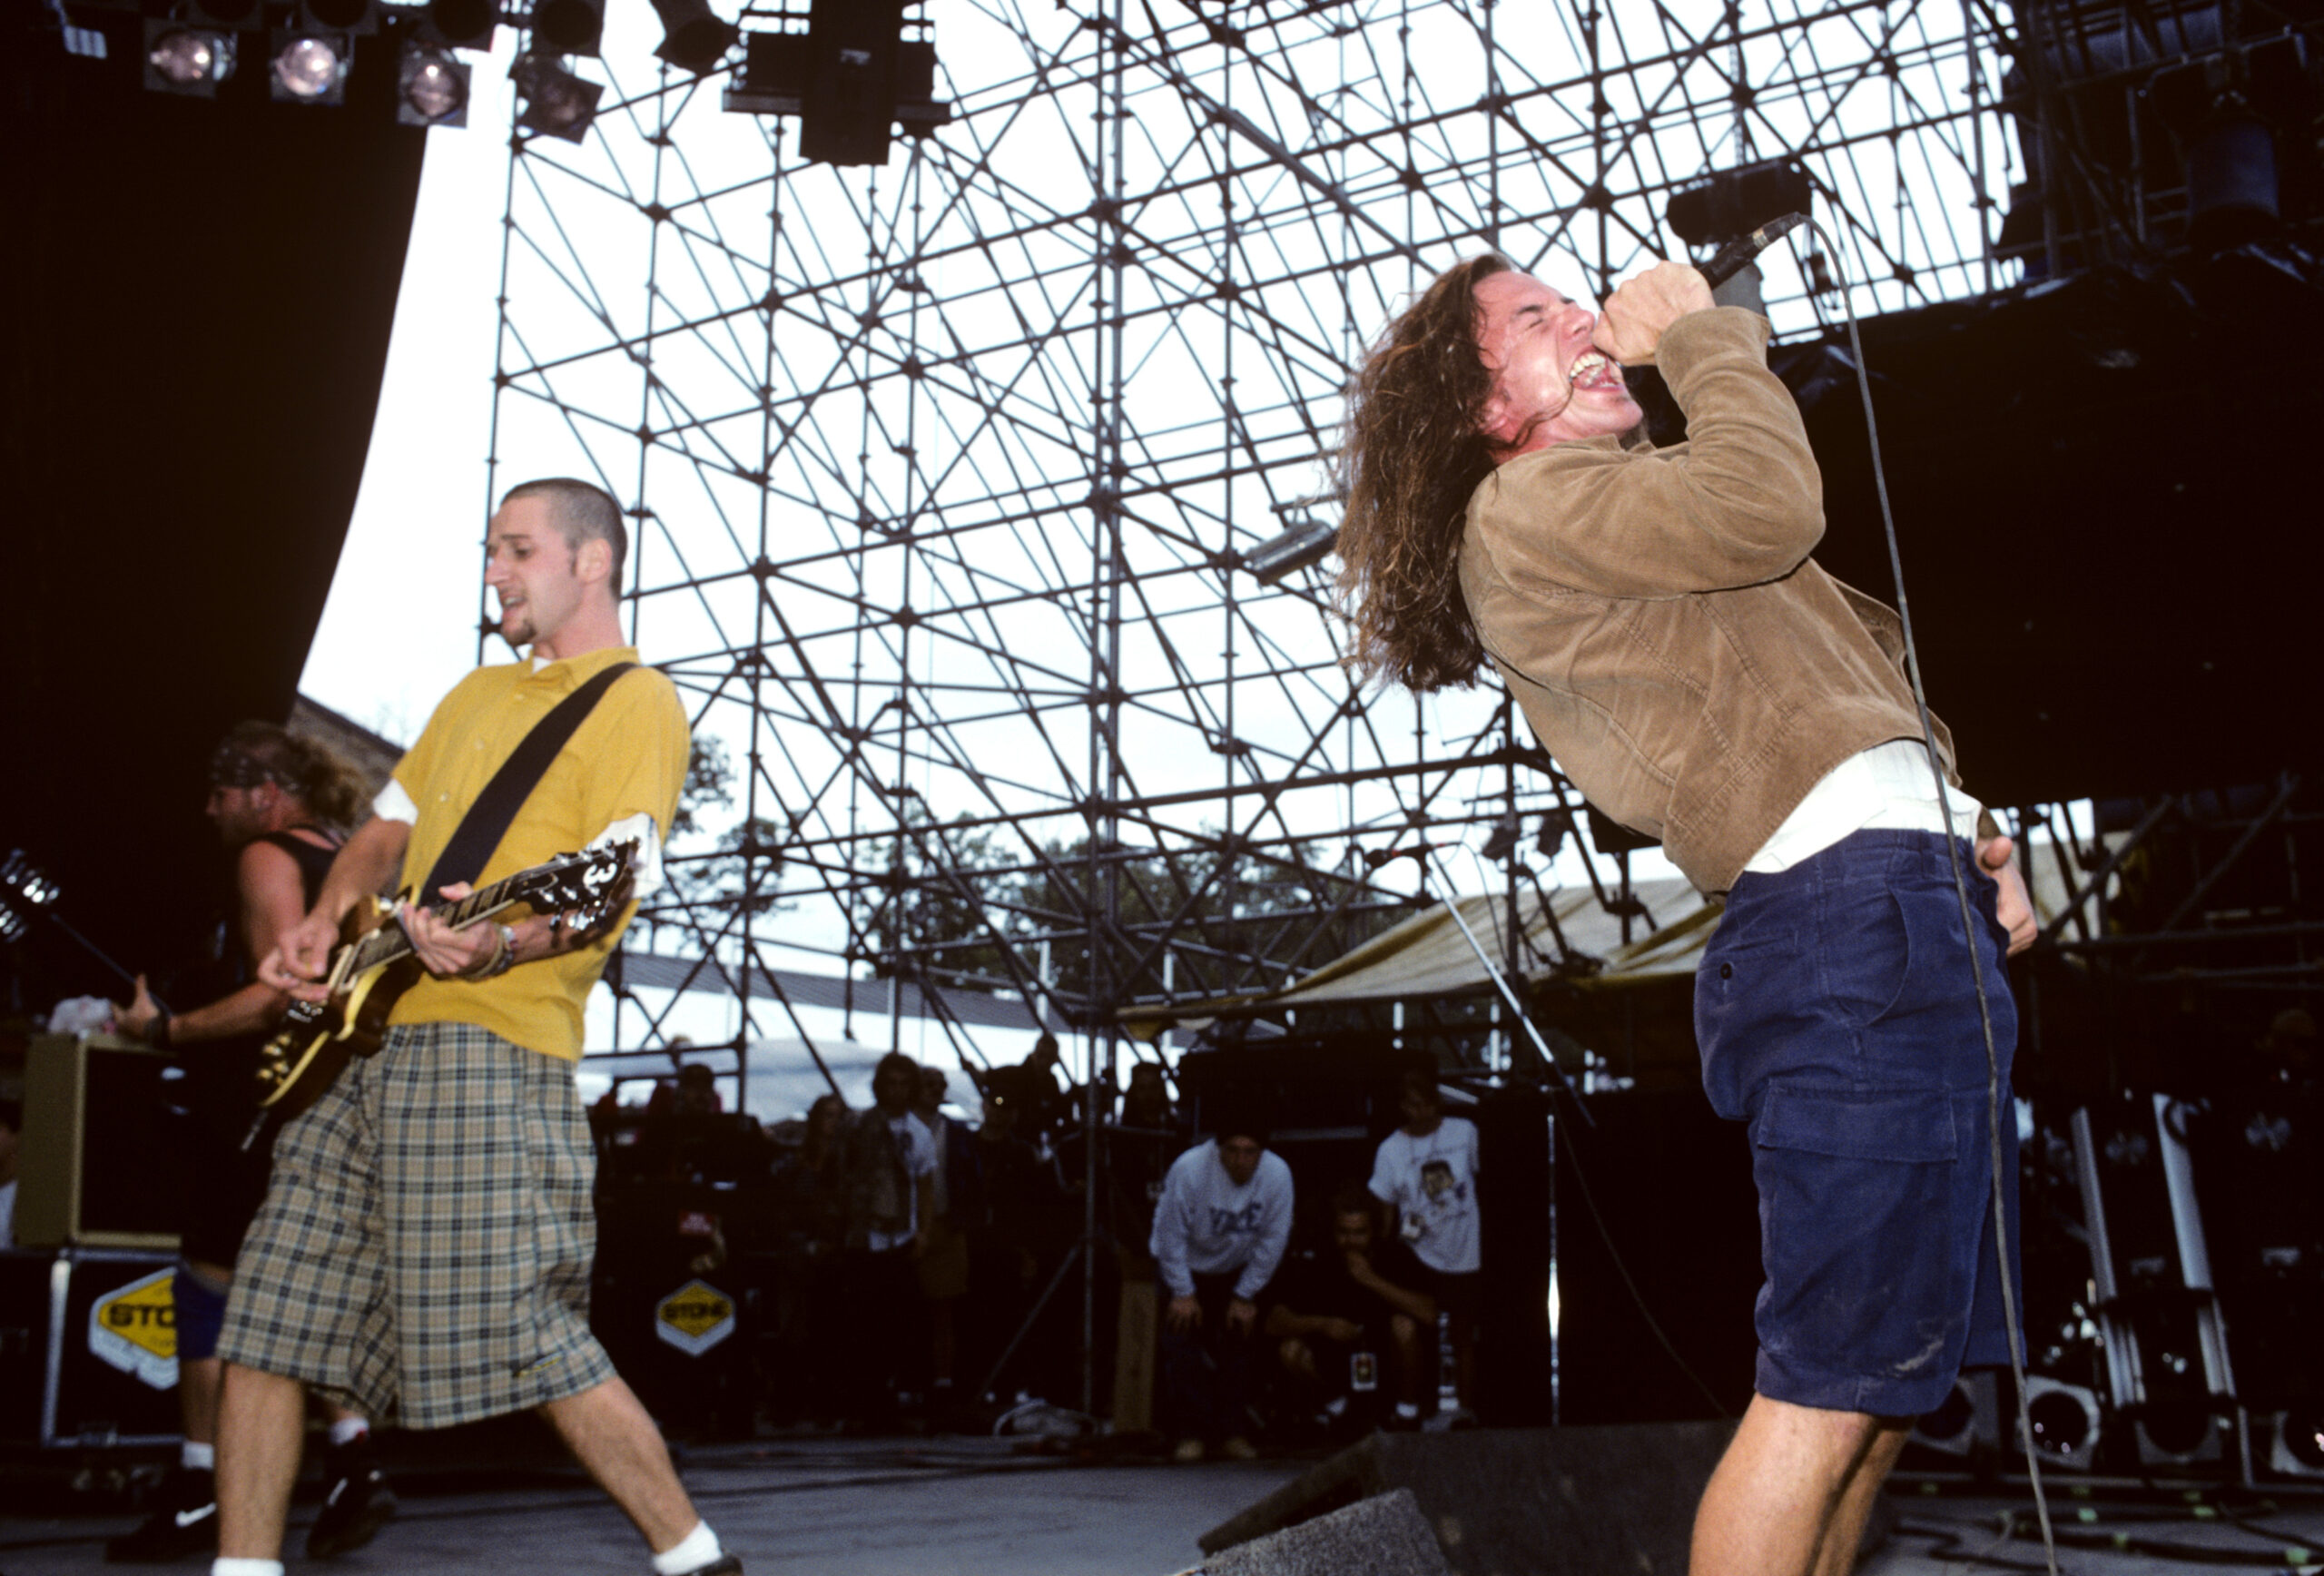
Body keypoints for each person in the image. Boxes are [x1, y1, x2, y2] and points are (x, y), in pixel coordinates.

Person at [1337, 259, 2037, 1576]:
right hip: (1848, 924)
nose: (1589, 323)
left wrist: (1974, 831)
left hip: (1905, 897)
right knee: (1830, 1394)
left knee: (1886, 1397)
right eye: (1538, 321)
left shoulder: (1645, 519)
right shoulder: (1526, 504)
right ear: (1485, 409)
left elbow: (1850, 686)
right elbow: (1771, 499)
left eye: (1575, 303)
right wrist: (1709, 338)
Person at [224, 478, 727, 1576]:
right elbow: (385, 829)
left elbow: (610, 883)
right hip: (359, 1038)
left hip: (488, 1046)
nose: (494, 567)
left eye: (516, 547)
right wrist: (318, 923)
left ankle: (696, 1560)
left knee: (528, 1329)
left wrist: (497, 943)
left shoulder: (636, 701)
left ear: (590, 561)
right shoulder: (470, 695)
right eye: (491, 547)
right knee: (263, 1321)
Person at [106, 723, 391, 1564]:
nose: (210, 809)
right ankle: (353, 1455)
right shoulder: (345, 856)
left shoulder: (269, 856)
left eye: (222, 794)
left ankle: (203, 1484)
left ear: (266, 794)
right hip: (344, 1098)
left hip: (277, 1097)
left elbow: (285, 993)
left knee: (206, 1279)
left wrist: (171, 1029)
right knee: (296, 1282)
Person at [1148, 1098, 1293, 1463]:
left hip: (1236, 1268)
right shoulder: (1190, 1169)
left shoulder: (1278, 1175)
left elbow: (1274, 1241)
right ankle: (1190, 1431)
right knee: (1181, 1338)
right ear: (1218, 1148)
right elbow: (1170, 1236)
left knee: (1240, 1342)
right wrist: (1183, 1291)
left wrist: (1246, 1294)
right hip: (1186, 1263)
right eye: (1232, 1150)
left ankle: (1231, 1431)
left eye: (1250, 1152)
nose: (1240, 1161)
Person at [1264, 1184, 1436, 1433]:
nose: (1351, 1241)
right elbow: (1273, 1321)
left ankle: (1406, 1413)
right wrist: (1324, 1324)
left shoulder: (1395, 1256)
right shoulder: (1322, 1261)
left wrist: (1370, 1279)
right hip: (1339, 1364)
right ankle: (1339, 1411)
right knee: (1290, 1350)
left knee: (1405, 1326)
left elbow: (1430, 1314)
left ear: (1374, 1231)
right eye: (1343, 1232)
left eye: (1359, 1233)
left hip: (1388, 1365)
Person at [1366, 1069, 1482, 1424]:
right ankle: (1411, 1408)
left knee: (1464, 1332)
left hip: (1464, 1249)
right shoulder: (1390, 1150)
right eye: (1413, 1106)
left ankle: (1466, 1410)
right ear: (1403, 1106)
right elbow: (1384, 1208)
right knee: (1413, 1326)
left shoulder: (1464, 1132)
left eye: (1428, 1105)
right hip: (1417, 1252)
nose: (1422, 1113)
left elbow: (1477, 1179)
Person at [838, 1053, 940, 1422]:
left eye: (904, 1084)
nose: (897, 1091)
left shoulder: (919, 1132)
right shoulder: (859, 1126)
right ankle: (864, 1404)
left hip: (902, 1240)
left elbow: (925, 1186)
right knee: (863, 1327)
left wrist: (924, 1232)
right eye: (891, 1083)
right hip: (865, 1239)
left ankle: (902, 1400)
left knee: (905, 1326)